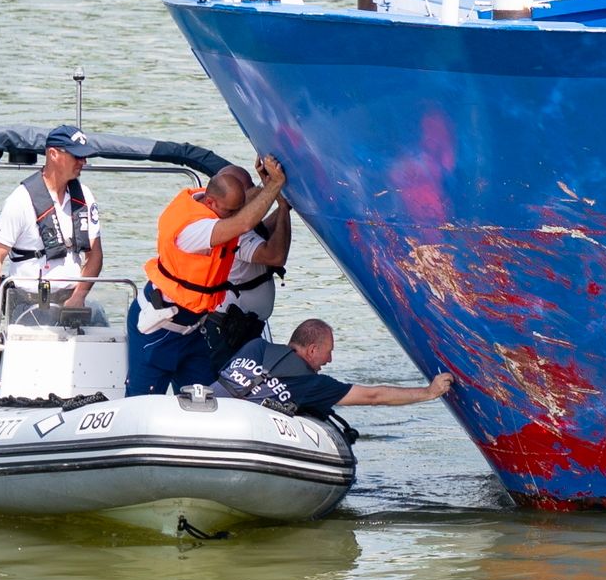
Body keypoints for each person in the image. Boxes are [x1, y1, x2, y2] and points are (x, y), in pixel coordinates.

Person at [127, 154, 288, 395]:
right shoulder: (195, 230)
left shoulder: (204, 199)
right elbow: (243, 222)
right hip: (159, 328)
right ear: (211, 204)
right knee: (142, 401)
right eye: (229, 211)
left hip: (192, 331)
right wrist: (275, 185)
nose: (233, 214)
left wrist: (265, 187)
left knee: (207, 398)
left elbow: (239, 209)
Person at [0, 124, 102, 341]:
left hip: (74, 301)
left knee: (108, 332)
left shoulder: (85, 196)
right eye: (77, 156)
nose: (83, 162)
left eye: (85, 157)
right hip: (29, 304)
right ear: (53, 154)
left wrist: (80, 295)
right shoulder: (20, 200)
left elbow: (95, 255)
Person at [212, 317, 454, 419]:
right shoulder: (314, 384)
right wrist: (428, 392)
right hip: (243, 430)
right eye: (329, 351)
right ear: (313, 350)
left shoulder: (256, 346)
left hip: (208, 413)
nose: (329, 360)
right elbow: (373, 396)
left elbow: (226, 378)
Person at [200, 166, 294, 371]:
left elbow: (262, 230)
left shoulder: (232, 223)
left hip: (242, 328)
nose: (255, 195)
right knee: (225, 388)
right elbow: (276, 256)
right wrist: (283, 209)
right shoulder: (231, 230)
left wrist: (283, 204)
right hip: (227, 330)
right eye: (250, 190)